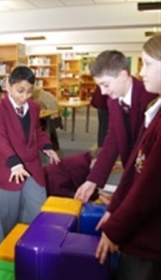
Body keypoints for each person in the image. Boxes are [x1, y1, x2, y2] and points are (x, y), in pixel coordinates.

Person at [96, 34, 161, 280]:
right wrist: (115, 205)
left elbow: (149, 186)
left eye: (147, 64)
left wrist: (115, 228)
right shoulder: (155, 109)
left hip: (150, 235)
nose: (141, 72)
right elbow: (135, 161)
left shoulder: (148, 100)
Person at [74, 50, 157, 202]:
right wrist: (93, 180)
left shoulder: (150, 97)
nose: (103, 92)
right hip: (131, 171)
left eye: (105, 84)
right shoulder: (113, 101)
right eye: (99, 86)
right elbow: (112, 140)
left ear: (123, 76)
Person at [0, 66, 60, 236]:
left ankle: (34, 247)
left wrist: (47, 147)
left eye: (29, 92)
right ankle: (10, 249)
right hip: (10, 170)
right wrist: (14, 162)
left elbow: (38, 131)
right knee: (9, 218)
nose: (24, 96)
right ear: (8, 86)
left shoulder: (34, 107)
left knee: (39, 210)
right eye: (20, 91)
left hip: (33, 168)